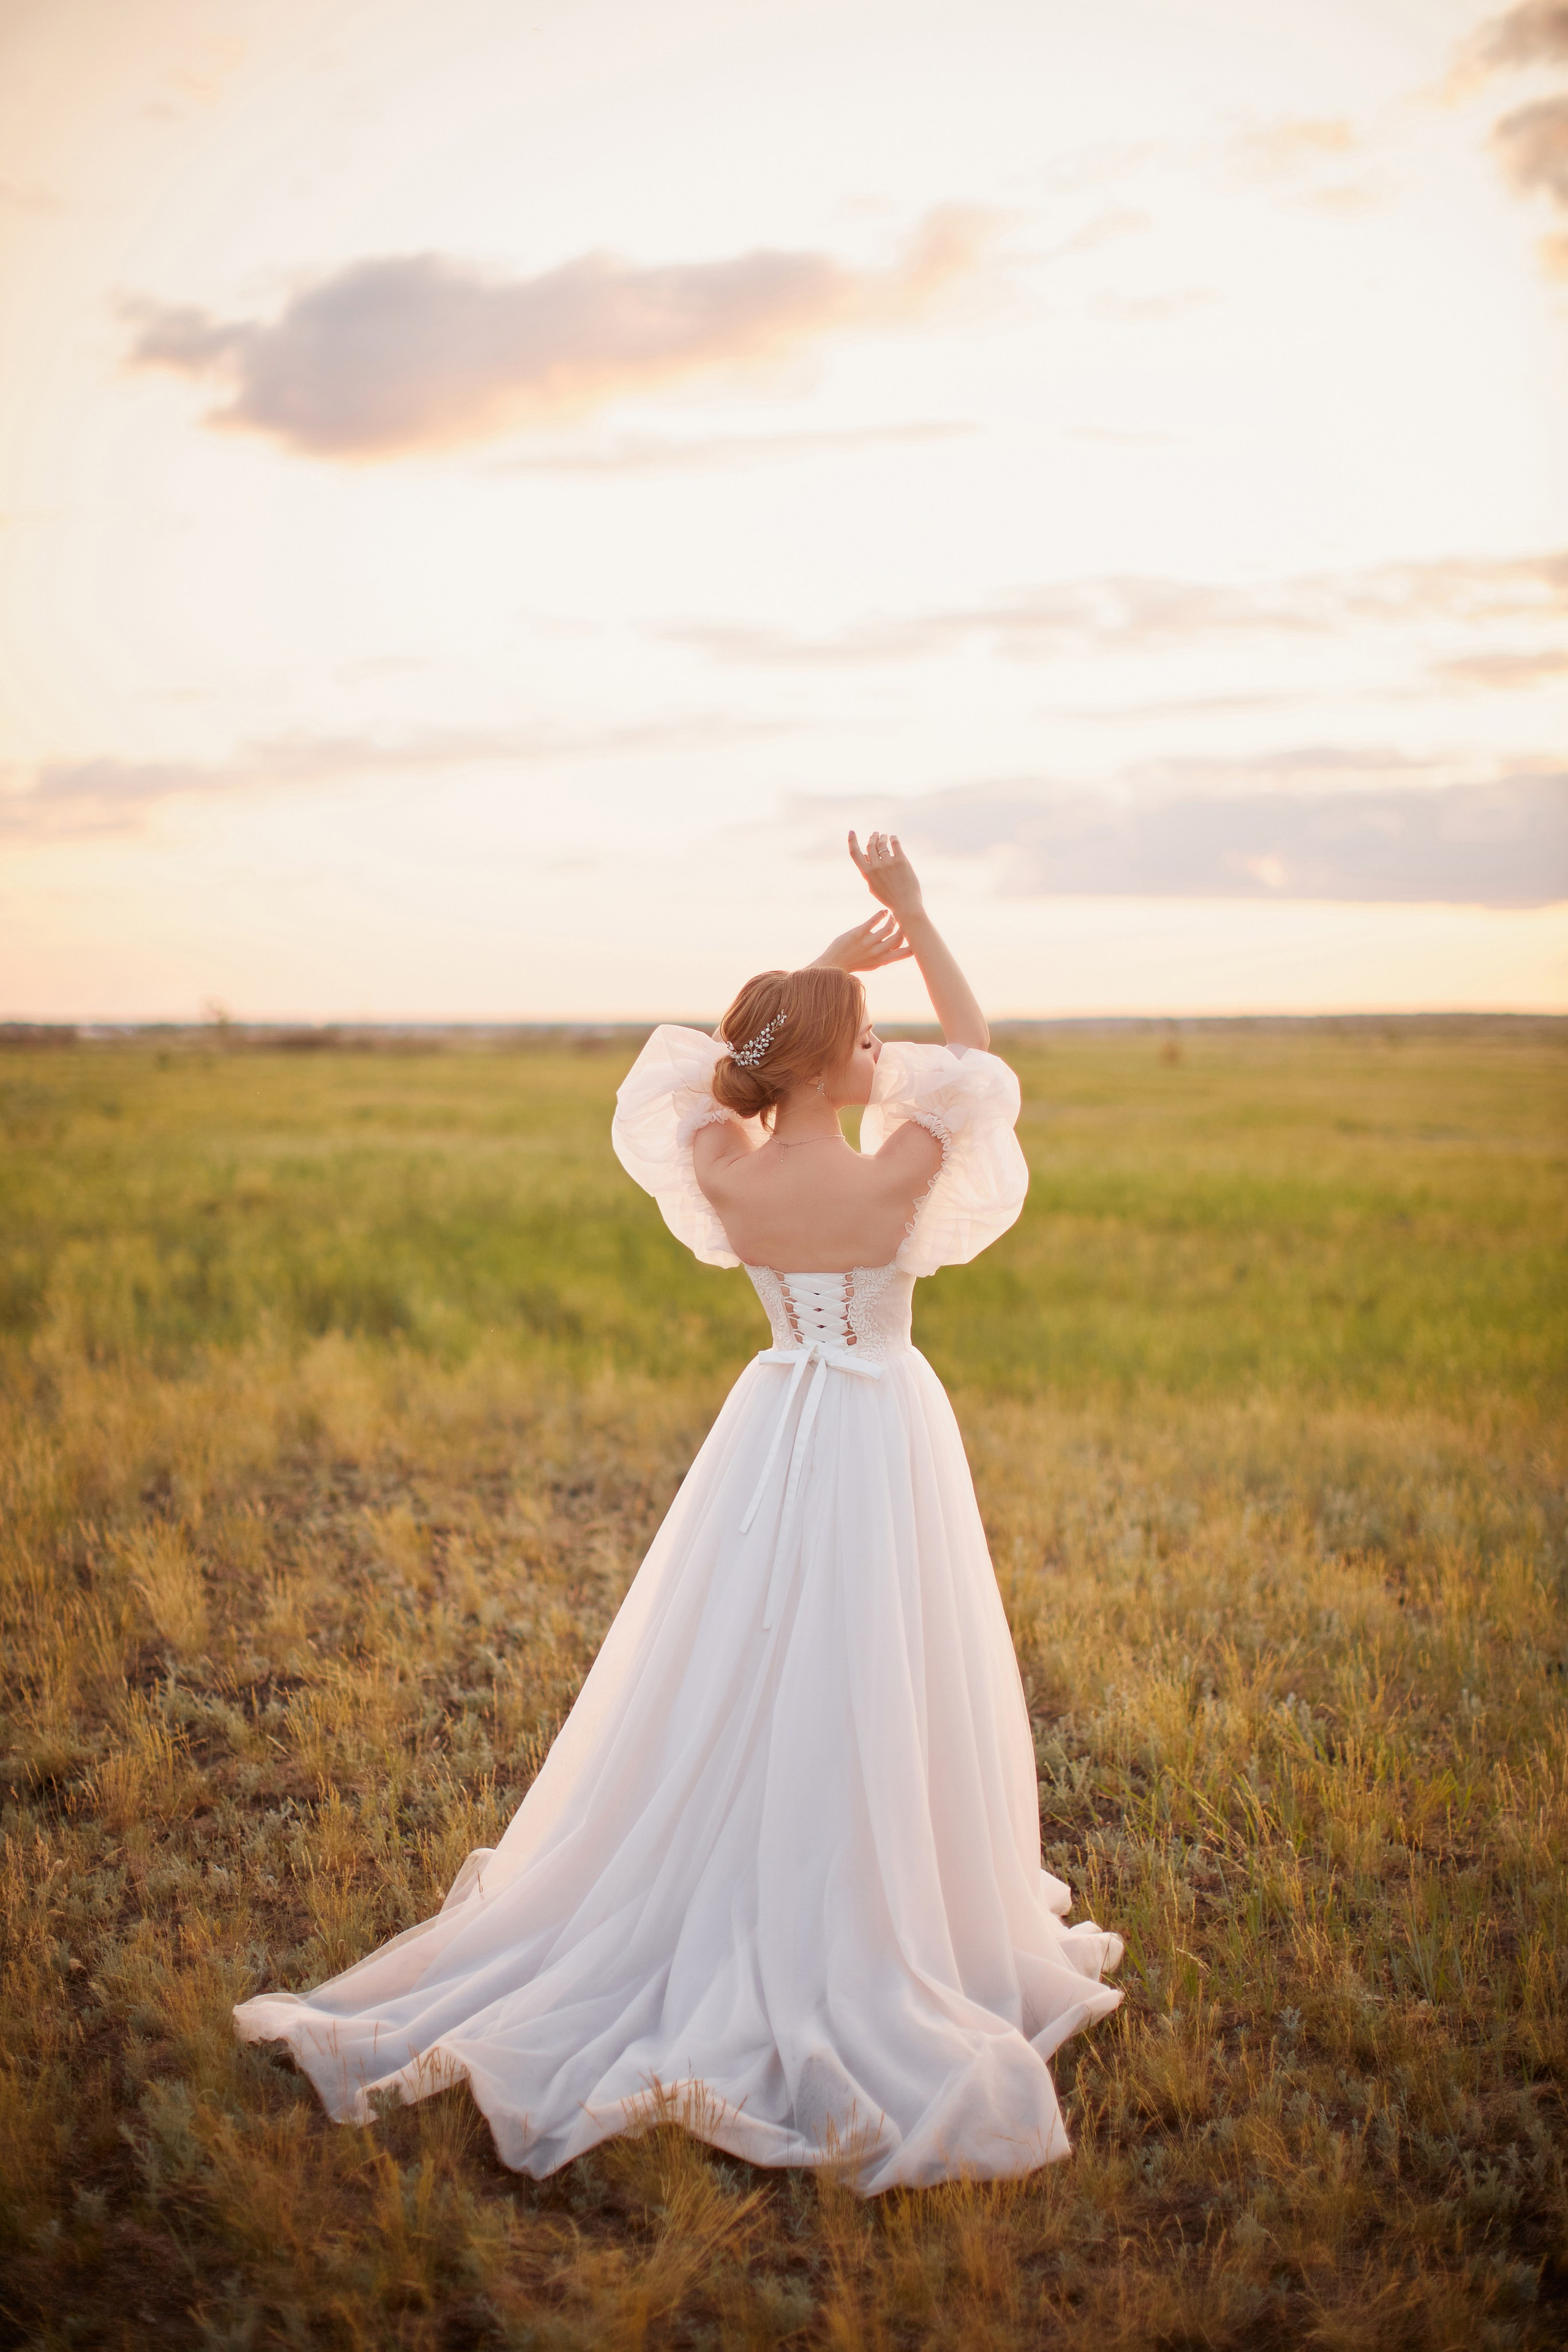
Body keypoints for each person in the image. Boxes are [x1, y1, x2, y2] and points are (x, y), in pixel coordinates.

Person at [234, 830, 1123, 2191]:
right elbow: (979, 1049)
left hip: (771, 1418)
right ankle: (873, 1896)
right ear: (839, 1065)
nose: (885, 1050)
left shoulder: (724, 1164)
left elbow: (699, 1074)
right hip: (878, 1422)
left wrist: (816, 977)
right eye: (864, 1039)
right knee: (872, 1651)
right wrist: (915, 917)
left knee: (740, 1650)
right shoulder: (892, 1173)